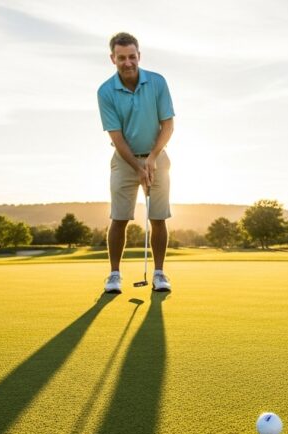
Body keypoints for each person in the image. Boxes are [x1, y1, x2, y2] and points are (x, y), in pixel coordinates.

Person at [97, 32, 174, 294]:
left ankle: (160, 273)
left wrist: (151, 159)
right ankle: (114, 275)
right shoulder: (106, 91)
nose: (127, 62)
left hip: (157, 157)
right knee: (119, 218)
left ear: (139, 56)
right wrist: (137, 167)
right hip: (124, 160)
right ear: (113, 59)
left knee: (158, 217)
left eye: (132, 57)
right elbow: (116, 137)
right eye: (121, 58)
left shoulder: (157, 82)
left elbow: (168, 125)